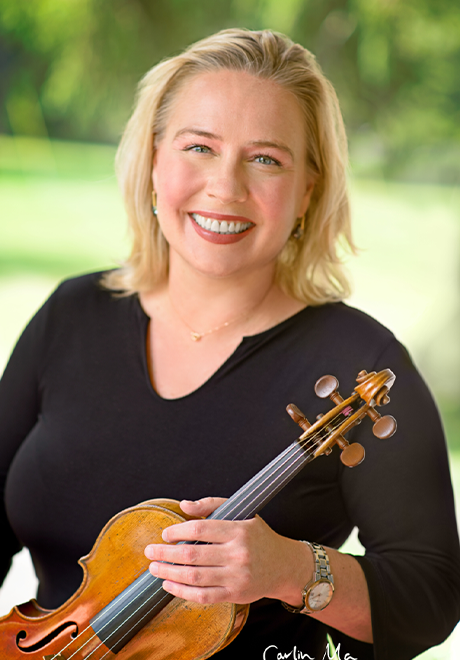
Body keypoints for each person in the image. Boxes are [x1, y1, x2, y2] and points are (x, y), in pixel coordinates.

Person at [0, 28, 459, 660]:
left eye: (265, 158)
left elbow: (431, 599)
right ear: (155, 161)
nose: (226, 186)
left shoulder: (365, 371)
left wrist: (294, 570)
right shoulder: (72, 314)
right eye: (199, 147)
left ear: (308, 191)